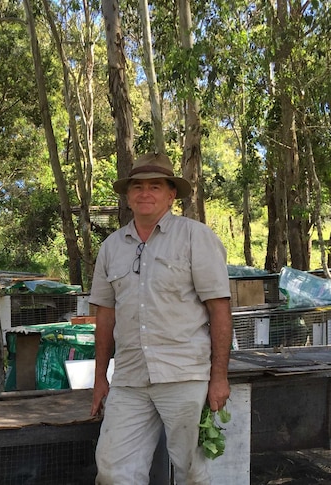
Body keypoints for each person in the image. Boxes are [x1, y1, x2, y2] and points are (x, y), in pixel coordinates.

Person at [89, 152, 233, 484]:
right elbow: (105, 316)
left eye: (155, 186)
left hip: (184, 373)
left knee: (192, 472)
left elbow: (219, 309)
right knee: (112, 471)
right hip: (129, 378)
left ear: (171, 195)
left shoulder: (196, 237)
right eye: (137, 186)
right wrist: (100, 378)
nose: (145, 193)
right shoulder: (111, 247)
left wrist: (219, 377)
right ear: (128, 196)